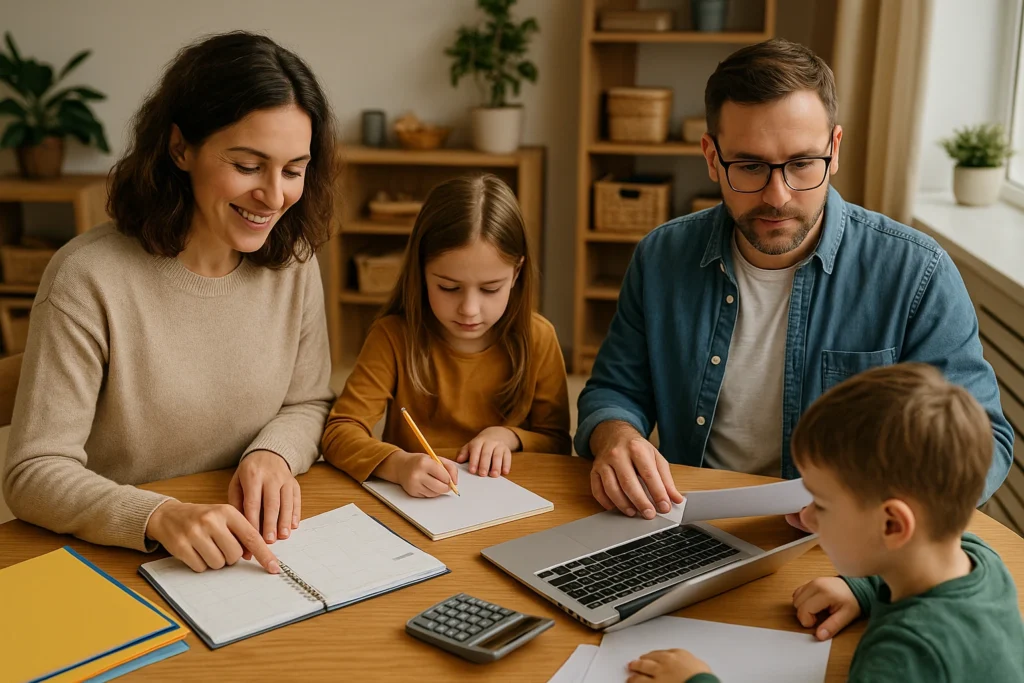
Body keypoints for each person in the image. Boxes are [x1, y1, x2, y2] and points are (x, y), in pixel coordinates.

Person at [575, 38, 1012, 522]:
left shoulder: (916, 272)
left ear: (835, 149)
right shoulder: (661, 257)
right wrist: (616, 435)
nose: (777, 196)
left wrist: (879, 505)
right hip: (691, 525)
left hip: (851, 544)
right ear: (711, 156)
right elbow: (614, 390)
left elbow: (984, 440)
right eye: (750, 166)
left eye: (802, 164)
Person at [2, 31, 337, 574]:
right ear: (180, 147)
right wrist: (158, 515)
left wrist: (272, 452)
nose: (275, 196)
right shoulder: (87, 278)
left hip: (251, 547)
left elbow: (309, 402)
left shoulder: (293, 262)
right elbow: (34, 470)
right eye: (249, 166)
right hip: (124, 555)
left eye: (294, 170)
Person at [626, 363, 1024, 683]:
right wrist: (864, 589)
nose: (807, 516)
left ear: (892, 526)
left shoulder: (903, 655)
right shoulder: (978, 560)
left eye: (822, 503)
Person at [322, 174, 570, 496]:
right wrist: (397, 465)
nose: (469, 309)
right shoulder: (393, 337)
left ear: (517, 273)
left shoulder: (538, 337)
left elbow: (559, 444)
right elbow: (340, 432)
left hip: (508, 499)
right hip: (415, 502)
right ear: (422, 271)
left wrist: (509, 437)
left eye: (490, 289)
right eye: (449, 287)